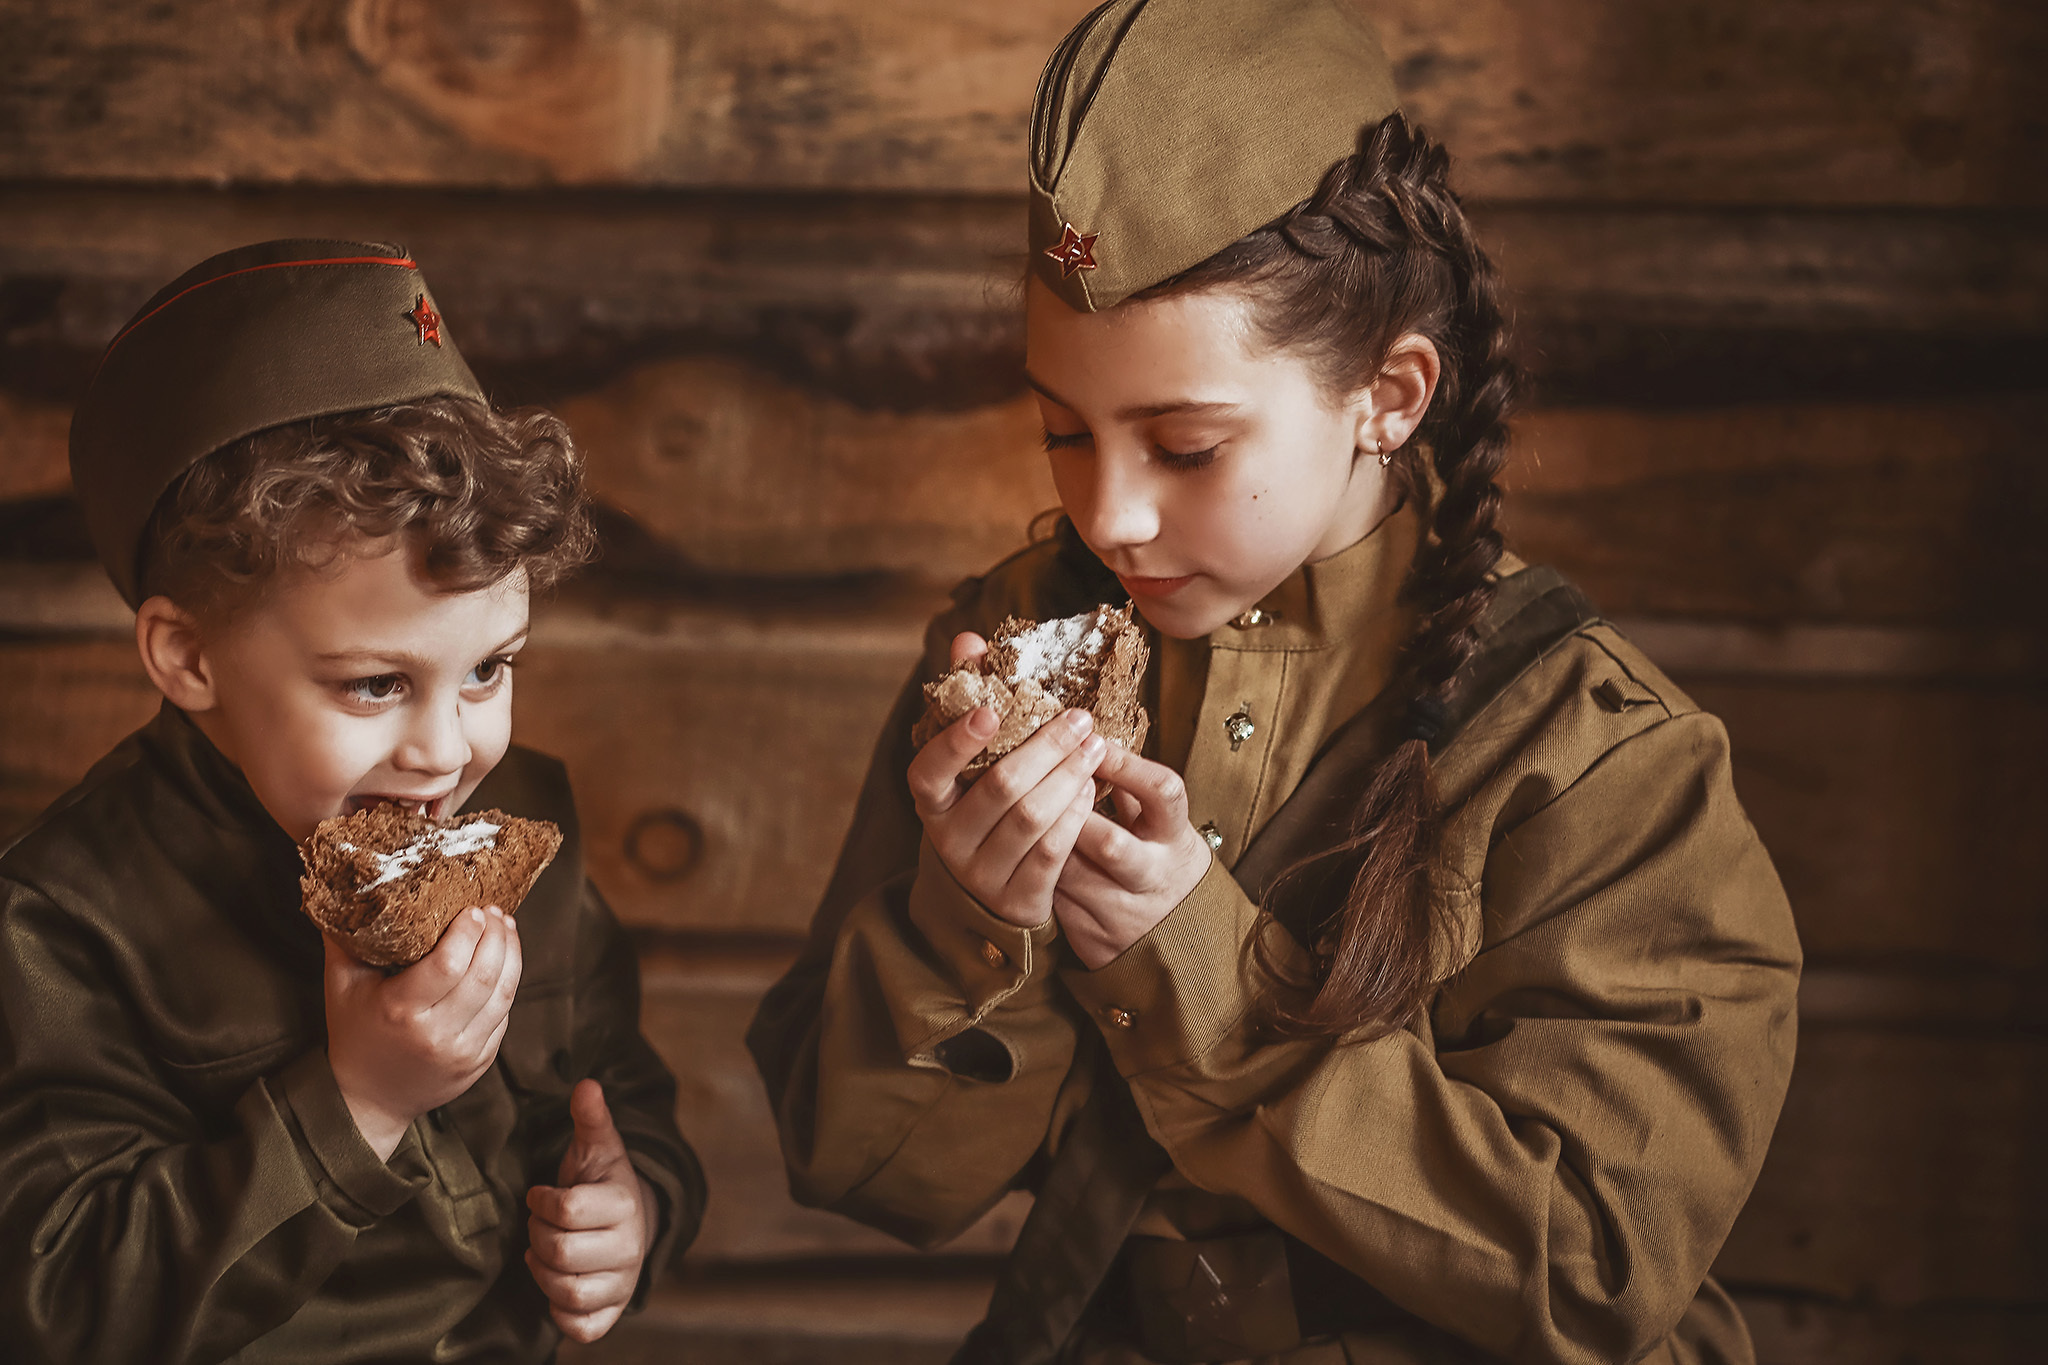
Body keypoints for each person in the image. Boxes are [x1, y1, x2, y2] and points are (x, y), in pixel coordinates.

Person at [747, 2, 1801, 1362]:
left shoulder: (1601, 759)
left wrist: (1195, 963)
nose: (1111, 516)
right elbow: (860, 1172)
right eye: (1063, 430)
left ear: (1393, 394)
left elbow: (1597, 1270)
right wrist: (967, 921)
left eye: (1183, 444)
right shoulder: (1011, 648)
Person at [0, 240, 705, 1363]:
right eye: (375, 684)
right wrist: (359, 1102)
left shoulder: (522, 825)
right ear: (187, 658)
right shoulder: (59, 930)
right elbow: (59, 1307)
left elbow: (612, 1081)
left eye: (489, 668)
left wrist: (639, 1206)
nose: (446, 750)